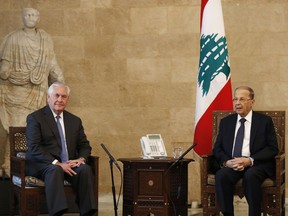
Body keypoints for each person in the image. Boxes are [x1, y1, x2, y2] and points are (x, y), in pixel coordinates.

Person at [0, 8, 64, 176]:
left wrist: (59, 81)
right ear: (22, 18)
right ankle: (9, 164)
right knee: (16, 128)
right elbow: (5, 65)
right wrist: (5, 71)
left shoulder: (45, 39)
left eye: (34, 15)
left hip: (37, 90)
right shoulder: (13, 38)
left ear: (38, 18)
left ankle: (31, 164)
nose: (30, 17)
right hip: (15, 91)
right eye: (27, 15)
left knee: (34, 129)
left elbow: (51, 62)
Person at [25, 82, 96, 216]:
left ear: (67, 100)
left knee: (85, 169)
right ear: (48, 97)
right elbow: (34, 147)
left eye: (64, 96)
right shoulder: (35, 118)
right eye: (56, 95)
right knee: (55, 169)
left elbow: (84, 145)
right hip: (43, 165)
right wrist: (57, 163)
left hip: (68, 164)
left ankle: (88, 212)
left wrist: (81, 159)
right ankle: (57, 212)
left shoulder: (74, 120)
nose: (60, 99)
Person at [213, 86, 279, 216]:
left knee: (251, 176)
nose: (237, 103)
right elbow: (217, 148)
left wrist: (249, 160)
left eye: (242, 99)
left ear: (252, 102)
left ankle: (254, 214)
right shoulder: (226, 122)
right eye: (235, 99)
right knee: (221, 175)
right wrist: (227, 162)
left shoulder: (264, 121)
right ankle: (227, 214)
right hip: (233, 164)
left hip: (256, 164)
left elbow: (272, 148)